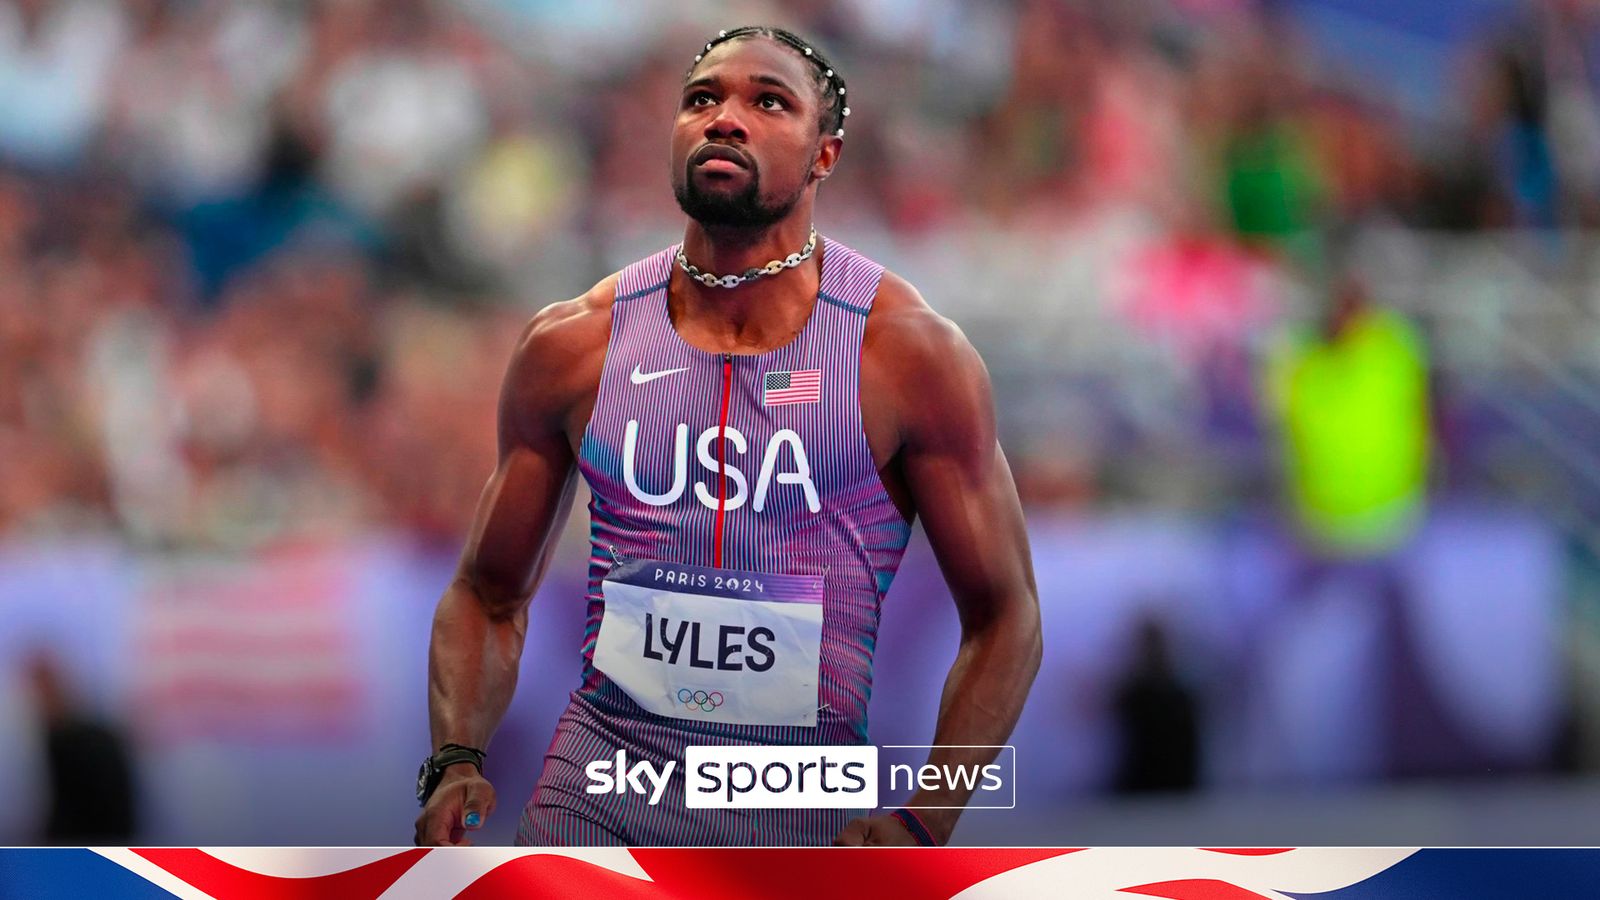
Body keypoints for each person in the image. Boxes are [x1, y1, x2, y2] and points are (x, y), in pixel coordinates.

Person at [414, 25, 1041, 847]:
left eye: (767, 102)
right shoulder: (575, 345)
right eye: (702, 99)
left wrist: (928, 819)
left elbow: (1006, 617)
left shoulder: (907, 353)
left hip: (796, 819)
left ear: (825, 155)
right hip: (596, 796)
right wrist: (455, 758)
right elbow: (486, 594)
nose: (724, 118)